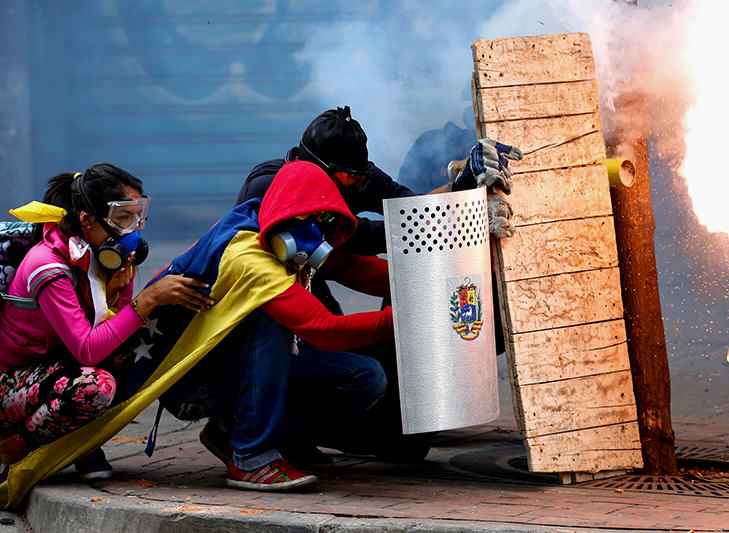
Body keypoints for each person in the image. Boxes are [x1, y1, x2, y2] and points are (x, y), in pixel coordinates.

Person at [232, 106, 521, 464]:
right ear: (327, 175)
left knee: (404, 446)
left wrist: (465, 196)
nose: (358, 185)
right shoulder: (275, 190)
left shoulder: (352, 177)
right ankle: (260, 435)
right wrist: (411, 317)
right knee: (361, 374)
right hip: (268, 321)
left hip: (312, 290)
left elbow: (400, 222)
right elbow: (330, 309)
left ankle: (308, 426)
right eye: (349, 180)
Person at [121, 159, 394, 492]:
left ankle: (234, 428)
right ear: (293, 211)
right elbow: (323, 328)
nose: (318, 229)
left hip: (224, 364)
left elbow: (354, 268)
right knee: (273, 321)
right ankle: (251, 455)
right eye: (314, 217)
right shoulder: (252, 259)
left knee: (365, 377)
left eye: (325, 219)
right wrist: (404, 317)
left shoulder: (265, 221)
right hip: (194, 382)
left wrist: (424, 282)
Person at [0, 163, 214, 483]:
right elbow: (88, 350)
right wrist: (147, 300)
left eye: (138, 216)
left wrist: (120, 290)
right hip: (12, 384)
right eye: (123, 218)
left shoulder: (97, 254)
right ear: (87, 220)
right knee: (93, 388)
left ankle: (79, 442)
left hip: (57, 365)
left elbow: (114, 329)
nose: (134, 229)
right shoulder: (48, 267)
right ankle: (14, 447)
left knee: (135, 353)